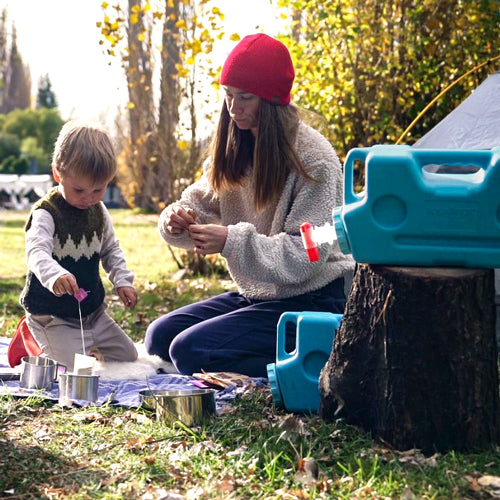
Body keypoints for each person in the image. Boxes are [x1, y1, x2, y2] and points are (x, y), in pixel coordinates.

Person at [145, 33, 354, 377]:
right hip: (259, 295)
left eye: (245, 97)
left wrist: (230, 241)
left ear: (272, 101)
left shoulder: (317, 162)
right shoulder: (236, 146)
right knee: (159, 337)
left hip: (312, 300)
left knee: (189, 351)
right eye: (228, 95)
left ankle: (318, 362)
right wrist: (176, 219)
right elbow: (199, 205)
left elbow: (308, 255)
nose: (233, 107)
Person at [19, 121, 138, 371]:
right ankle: (30, 337)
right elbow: (36, 252)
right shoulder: (46, 213)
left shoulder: (99, 211)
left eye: (99, 189)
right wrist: (55, 274)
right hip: (53, 316)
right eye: (79, 190)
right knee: (73, 369)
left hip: (92, 314)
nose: (89, 198)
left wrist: (122, 281)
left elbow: (110, 250)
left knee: (128, 356)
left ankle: (84, 341)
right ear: (58, 174)